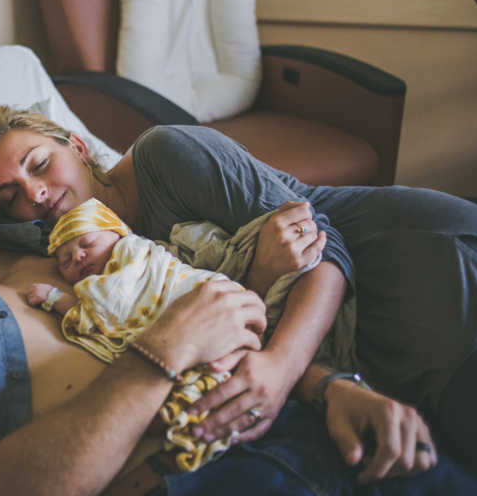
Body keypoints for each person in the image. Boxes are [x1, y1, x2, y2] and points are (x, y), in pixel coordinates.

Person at [0, 91, 477, 496]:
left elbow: (227, 298)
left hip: (409, 304)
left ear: (77, 147)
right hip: (205, 474)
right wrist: (164, 349)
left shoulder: (79, 239)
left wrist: (330, 388)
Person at [26, 196, 346, 472]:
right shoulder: (97, 282)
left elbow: (110, 306)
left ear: (117, 232)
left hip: (209, 306)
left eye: (86, 243)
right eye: (66, 260)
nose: (78, 257)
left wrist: (58, 300)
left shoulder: (134, 254)